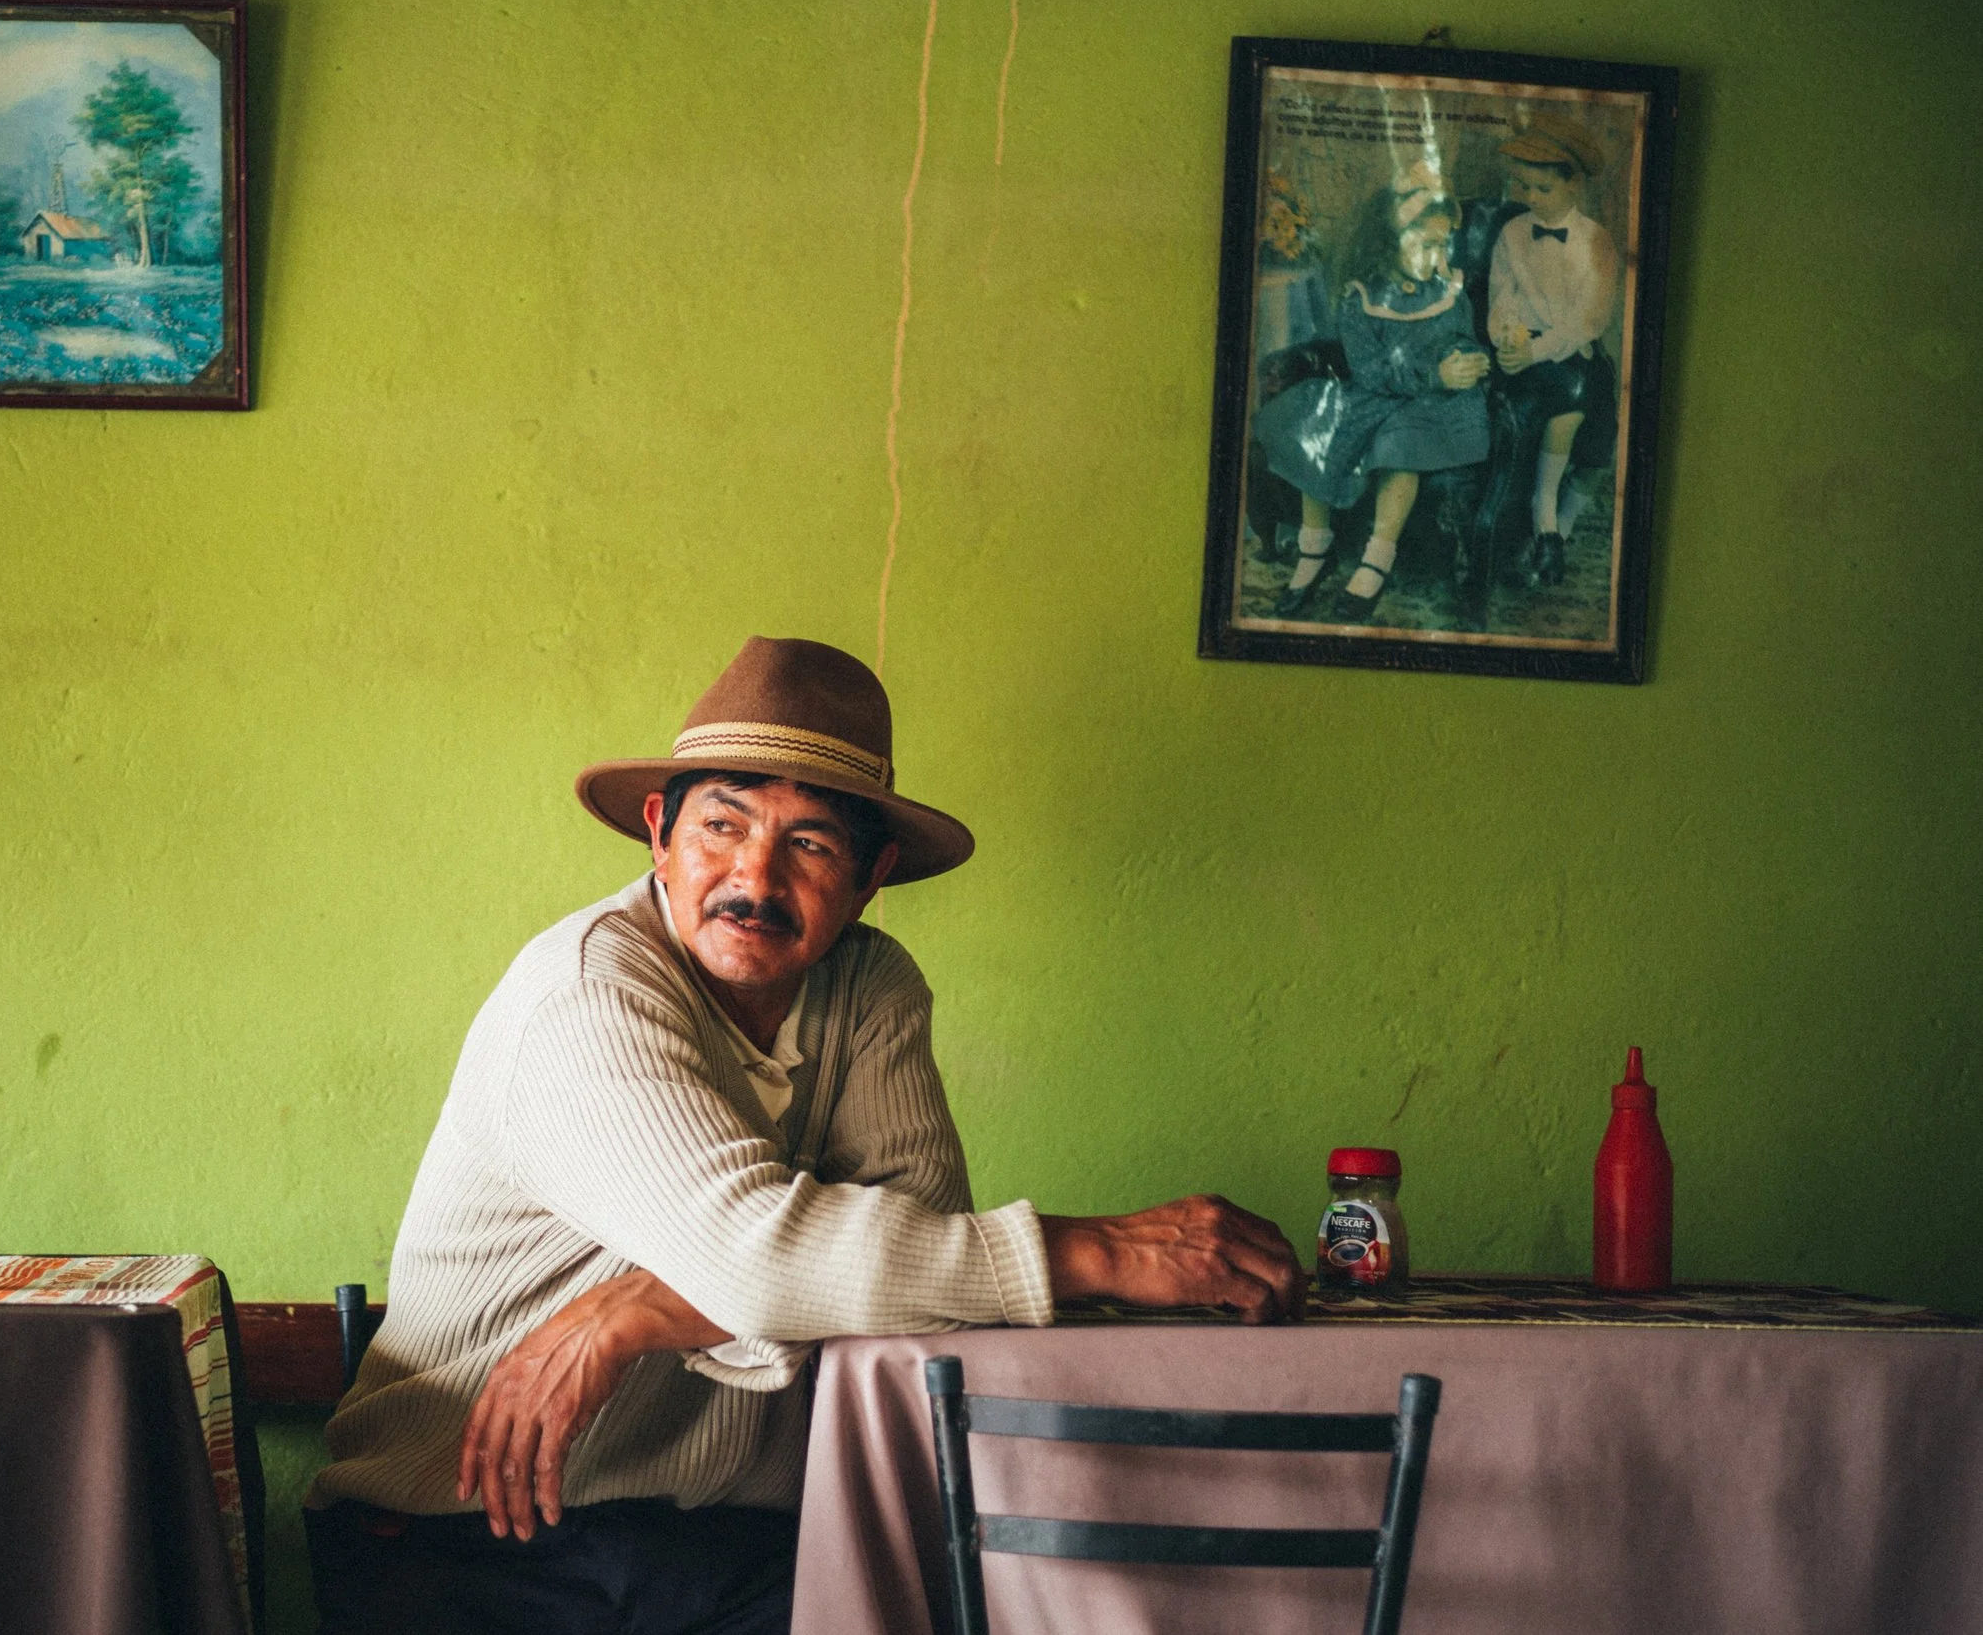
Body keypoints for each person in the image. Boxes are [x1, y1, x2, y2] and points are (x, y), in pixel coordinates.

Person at [305, 636, 1306, 1635]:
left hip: (713, 1545)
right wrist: (1096, 1249)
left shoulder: (868, 985)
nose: (754, 876)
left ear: (871, 875)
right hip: (470, 1539)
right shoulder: (584, 989)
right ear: (658, 831)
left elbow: (911, 1280)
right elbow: (768, 1260)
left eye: (811, 844)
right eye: (721, 824)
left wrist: (648, 1300)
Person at [1252, 180, 1493, 625]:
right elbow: (1369, 372)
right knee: (1317, 430)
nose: (1437, 256)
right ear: (1391, 242)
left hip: (1437, 404)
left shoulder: (1448, 290)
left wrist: (1469, 362)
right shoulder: (1361, 297)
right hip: (1381, 390)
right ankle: (1314, 547)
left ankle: (1376, 561)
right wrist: (1430, 373)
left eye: (1443, 244)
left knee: (1401, 445)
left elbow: (1465, 339)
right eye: (1425, 243)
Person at [1484, 113, 1622, 587]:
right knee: (1562, 412)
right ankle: (1544, 526)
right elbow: (1501, 300)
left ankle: (1559, 527)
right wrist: (1509, 337)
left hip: (1574, 355)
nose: (1530, 199)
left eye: (1542, 189)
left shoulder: (1595, 242)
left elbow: (1588, 319)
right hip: (1526, 364)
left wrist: (1537, 349)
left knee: (1596, 453)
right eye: (1523, 188)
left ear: (1573, 187)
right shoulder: (1512, 235)